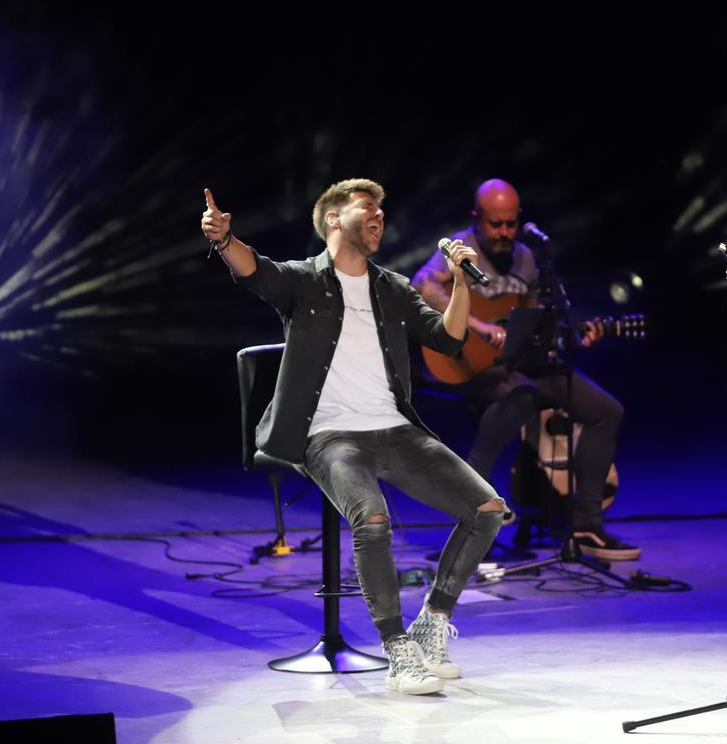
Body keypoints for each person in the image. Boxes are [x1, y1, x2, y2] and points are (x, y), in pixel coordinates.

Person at [201, 178, 507, 695]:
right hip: (330, 435)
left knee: (487, 510)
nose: (379, 217)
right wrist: (223, 240)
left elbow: (448, 338)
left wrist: (461, 283)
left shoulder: (392, 287)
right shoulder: (302, 281)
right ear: (334, 219)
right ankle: (397, 650)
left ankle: (431, 623)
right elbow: (254, 271)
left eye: (382, 212)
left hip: (394, 430)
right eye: (368, 208)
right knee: (374, 520)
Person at [412, 178, 639, 560]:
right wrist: (480, 327)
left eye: (510, 224)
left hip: (521, 366)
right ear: (476, 219)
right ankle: (473, 512)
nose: (503, 232)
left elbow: (538, 320)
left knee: (605, 411)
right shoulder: (459, 249)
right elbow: (423, 287)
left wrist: (572, 335)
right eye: (494, 224)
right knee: (519, 398)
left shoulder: (529, 257)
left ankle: (585, 527)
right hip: (470, 367)